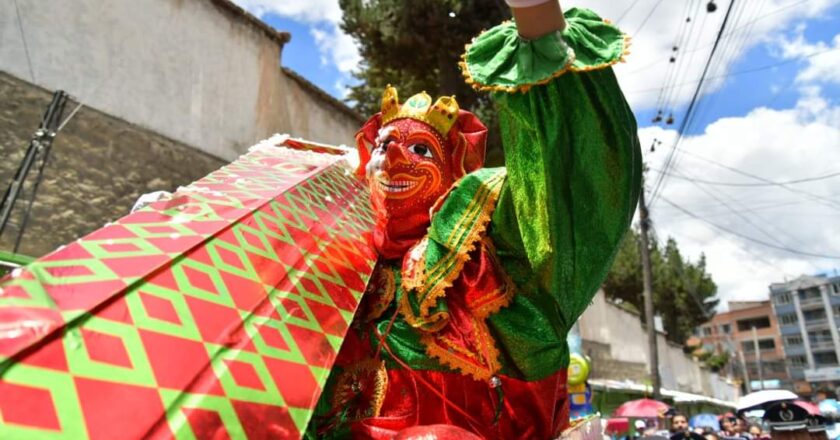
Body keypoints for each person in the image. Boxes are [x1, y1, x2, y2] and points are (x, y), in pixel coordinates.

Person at [306, 0, 640, 438]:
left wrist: (535, 14)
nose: (393, 158)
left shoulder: (481, 243)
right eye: (384, 146)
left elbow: (567, 184)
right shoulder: (340, 271)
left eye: (421, 149)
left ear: (451, 172)